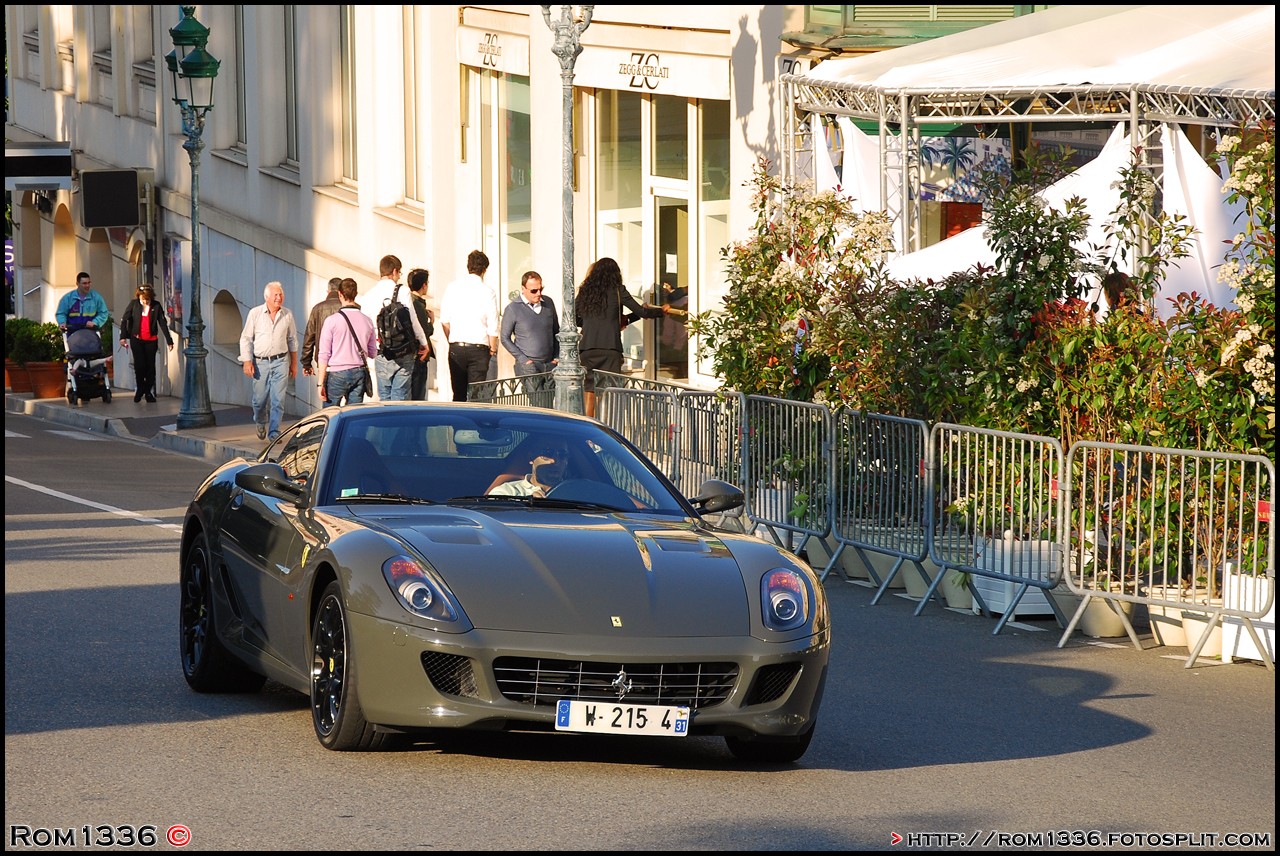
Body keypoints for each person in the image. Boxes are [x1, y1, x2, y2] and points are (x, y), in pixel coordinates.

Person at [575, 257, 671, 418]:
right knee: (606, 393)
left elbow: (573, 317)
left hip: (587, 348)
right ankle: (603, 433)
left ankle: (586, 431)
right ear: (615, 274)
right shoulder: (618, 290)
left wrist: (591, 324)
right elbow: (642, 312)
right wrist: (661, 310)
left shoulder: (585, 291)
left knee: (589, 391)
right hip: (610, 349)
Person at [360, 254, 431, 401]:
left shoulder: (368, 296)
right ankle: (399, 423)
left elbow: (365, 328)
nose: (399, 277)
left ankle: (386, 423)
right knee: (400, 397)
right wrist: (424, 343)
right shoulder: (402, 291)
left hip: (381, 351)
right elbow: (413, 320)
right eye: (399, 273)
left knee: (385, 397)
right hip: (403, 351)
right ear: (394, 271)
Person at [239, 281, 299, 441]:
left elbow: (293, 339)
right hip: (261, 363)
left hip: (281, 361)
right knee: (260, 400)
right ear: (267, 297)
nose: (279, 298)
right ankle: (259, 421)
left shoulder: (287, 314)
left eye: (281, 295)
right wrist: (247, 361)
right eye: (276, 295)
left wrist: (294, 363)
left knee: (278, 399)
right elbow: (246, 338)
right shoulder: (255, 313)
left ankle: (274, 432)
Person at [439, 249, 499, 402]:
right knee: (475, 396)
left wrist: (452, 339)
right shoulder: (488, 291)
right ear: (484, 270)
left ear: (468, 267)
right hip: (479, 348)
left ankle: (457, 425)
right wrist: (493, 348)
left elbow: (444, 320)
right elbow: (493, 325)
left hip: (457, 346)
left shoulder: (452, 287)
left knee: (458, 394)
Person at [500, 270, 559, 405]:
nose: (538, 294)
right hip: (529, 367)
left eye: (540, 289)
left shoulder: (548, 303)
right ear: (523, 289)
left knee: (549, 406)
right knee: (539, 405)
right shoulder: (513, 309)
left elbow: (556, 331)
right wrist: (524, 360)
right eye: (534, 291)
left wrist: (556, 358)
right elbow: (504, 338)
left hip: (549, 365)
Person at [317, 277, 377, 408]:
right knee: (353, 414)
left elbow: (324, 354)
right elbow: (372, 352)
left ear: (340, 294)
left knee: (331, 415)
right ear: (355, 294)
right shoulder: (367, 321)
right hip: (359, 372)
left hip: (337, 373)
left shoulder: (331, 321)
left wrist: (320, 383)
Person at [118, 283, 175, 403]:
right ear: (139, 297)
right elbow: (124, 320)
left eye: (148, 300)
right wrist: (122, 337)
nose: (146, 302)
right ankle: (140, 388)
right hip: (137, 340)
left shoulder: (156, 306)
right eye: (143, 299)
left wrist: (169, 341)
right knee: (139, 366)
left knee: (150, 367)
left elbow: (162, 323)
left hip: (151, 340)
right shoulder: (134, 305)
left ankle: (148, 391)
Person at [488, 441, 570, 497]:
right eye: (547, 453)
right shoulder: (508, 492)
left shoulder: (575, 493)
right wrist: (527, 505)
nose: (555, 461)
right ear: (531, 458)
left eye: (562, 454)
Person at [301, 277, 344, 379]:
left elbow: (309, 337)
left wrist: (306, 363)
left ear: (328, 291)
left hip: (324, 362)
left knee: (324, 393)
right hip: (345, 363)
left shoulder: (318, 308)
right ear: (341, 291)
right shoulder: (348, 307)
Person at [407, 267, 436, 401]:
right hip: (419, 356)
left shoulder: (408, 301)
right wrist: (432, 321)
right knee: (418, 396)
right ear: (423, 285)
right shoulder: (418, 305)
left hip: (410, 355)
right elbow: (424, 332)